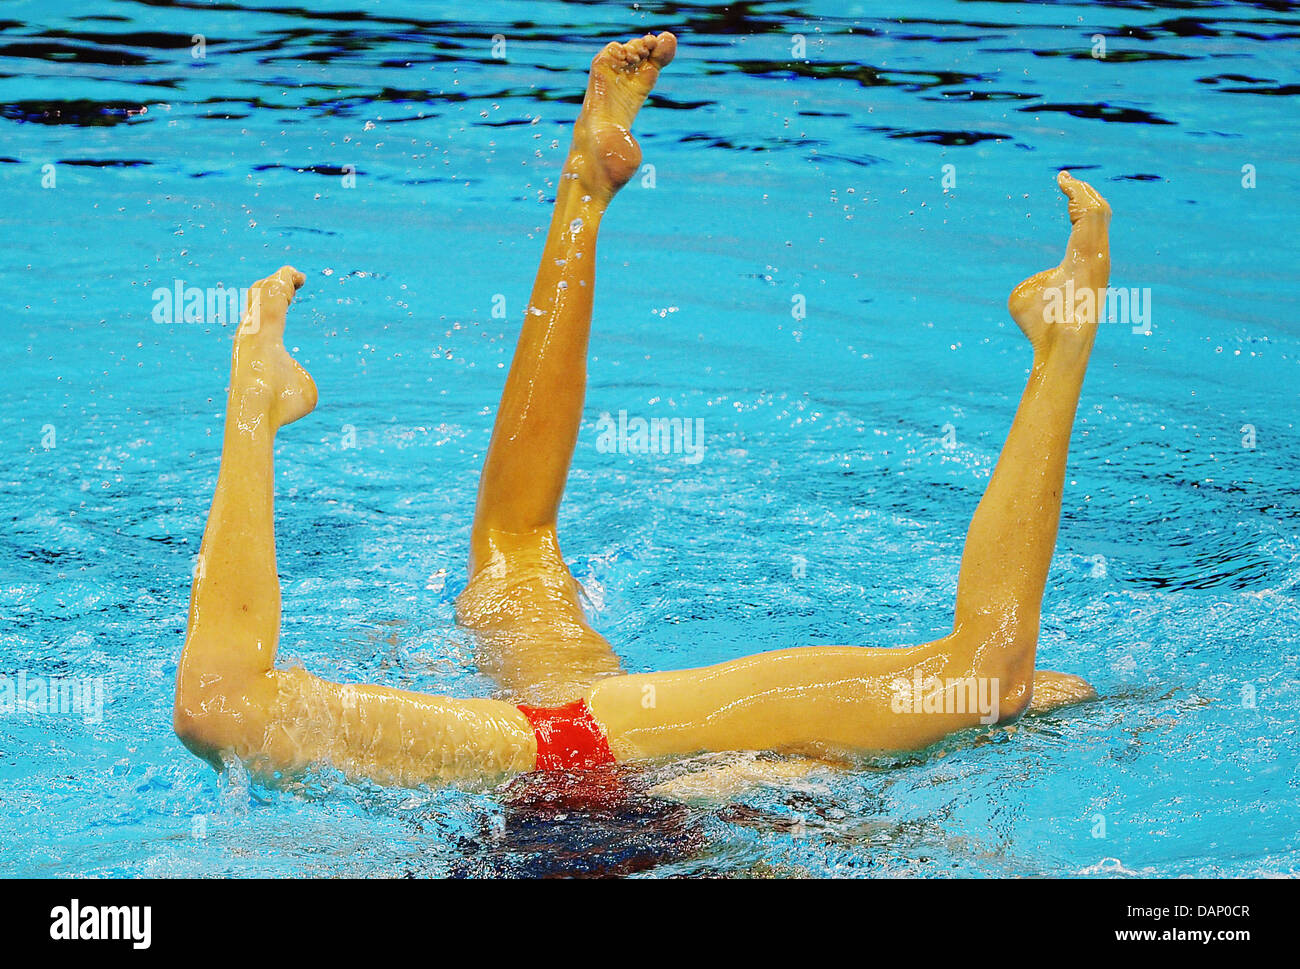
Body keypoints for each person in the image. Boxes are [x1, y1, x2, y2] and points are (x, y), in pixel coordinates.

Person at [173, 30, 1108, 789]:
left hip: (572, 751)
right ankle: (575, 193)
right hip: (610, 751)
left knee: (514, 542)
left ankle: (581, 191)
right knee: (994, 675)